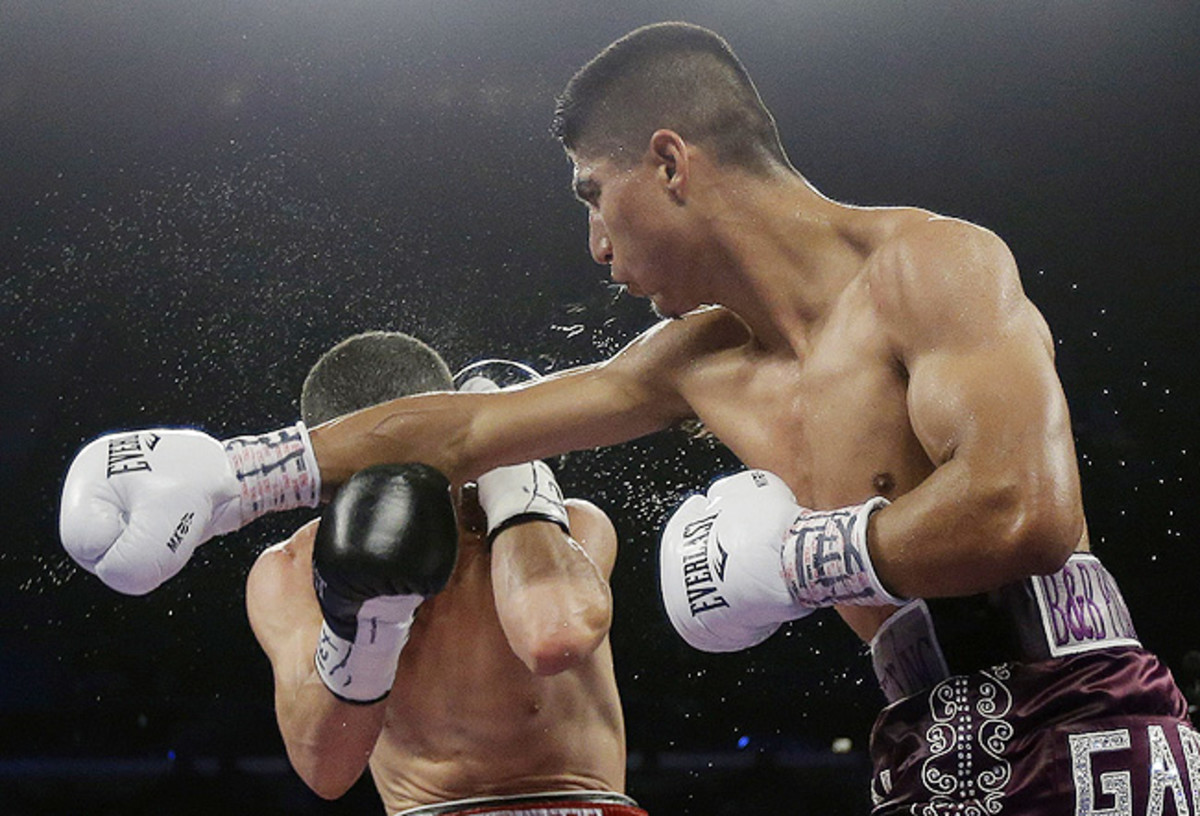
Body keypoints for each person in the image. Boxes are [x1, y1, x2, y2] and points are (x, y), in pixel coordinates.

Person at [60, 22, 1197, 813]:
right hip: (917, 726)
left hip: (1074, 705)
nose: (597, 250)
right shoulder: (692, 361)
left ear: (669, 162)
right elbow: (461, 432)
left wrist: (802, 561)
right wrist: (245, 476)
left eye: (594, 198)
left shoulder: (929, 263)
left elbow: (1027, 514)